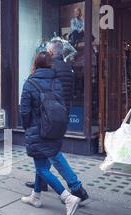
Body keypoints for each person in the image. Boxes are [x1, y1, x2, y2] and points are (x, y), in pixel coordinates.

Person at [25, 40, 89, 204]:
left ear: (52, 52)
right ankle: (39, 187)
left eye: (47, 50)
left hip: (48, 117)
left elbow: (44, 94)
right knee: (46, 151)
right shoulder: (68, 68)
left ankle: (76, 188)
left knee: (54, 155)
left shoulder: (52, 69)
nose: (46, 52)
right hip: (62, 114)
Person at [20, 52, 81, 215]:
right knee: (42, 163)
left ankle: (67, 198)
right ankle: (36, 196)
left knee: (41, 168)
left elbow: (24, 111)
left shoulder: (30, 83)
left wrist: (27, 127)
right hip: (54, 128)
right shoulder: (57, 82)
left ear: (36, 64)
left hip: (37, 129)